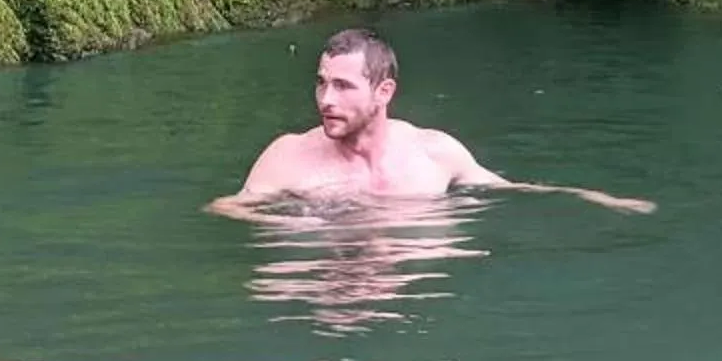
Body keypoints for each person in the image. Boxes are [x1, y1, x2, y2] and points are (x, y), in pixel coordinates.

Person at [207, 28, 654, 214]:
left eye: (343, 86)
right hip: (323, 289)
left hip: (414, 293)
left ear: (384, 93)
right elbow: (226, 208)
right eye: (322, 83)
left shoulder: (434, 152)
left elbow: (508, 190)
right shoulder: (289, 155)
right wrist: (293, 223)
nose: (326, 98)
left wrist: (592, 198)